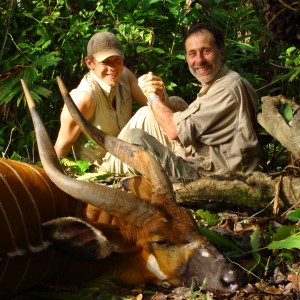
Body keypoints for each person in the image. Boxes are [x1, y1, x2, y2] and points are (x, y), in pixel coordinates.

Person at [100, 22, 261, 178]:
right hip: (204, 160)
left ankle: (104, 173)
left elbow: (173, 131)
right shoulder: (222, 82)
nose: (199, 60)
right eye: (192, 54)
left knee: (132, 137)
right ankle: (106, 167)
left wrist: (151, 96)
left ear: (222, 53)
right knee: (169, 104)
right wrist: (160, 96)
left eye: (206, 51)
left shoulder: (227, 87)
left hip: (210, 178)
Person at [54, 31, 152, 165]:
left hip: (129, 152)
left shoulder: (125, 76)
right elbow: (61, 147)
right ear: (90, 63)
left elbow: (152, 102)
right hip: (104, 166)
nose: (113, 68)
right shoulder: (84, 98)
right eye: (106, 62)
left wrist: (157, 92)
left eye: (117, 60)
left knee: (174, 102)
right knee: (145, 114)